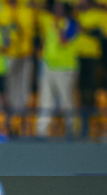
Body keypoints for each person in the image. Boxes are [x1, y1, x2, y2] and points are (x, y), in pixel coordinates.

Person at [36, 2, 79, 138]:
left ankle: (72, 131)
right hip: (49, 66)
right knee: (45, 100)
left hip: (65, 69)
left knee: (67, 101)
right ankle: (41, 132)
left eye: (59, 9)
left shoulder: (72, 23)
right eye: (55, 8)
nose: (56, 11)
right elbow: (46, 43)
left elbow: (63, 40)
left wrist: (57, 27)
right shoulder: (51, 22)